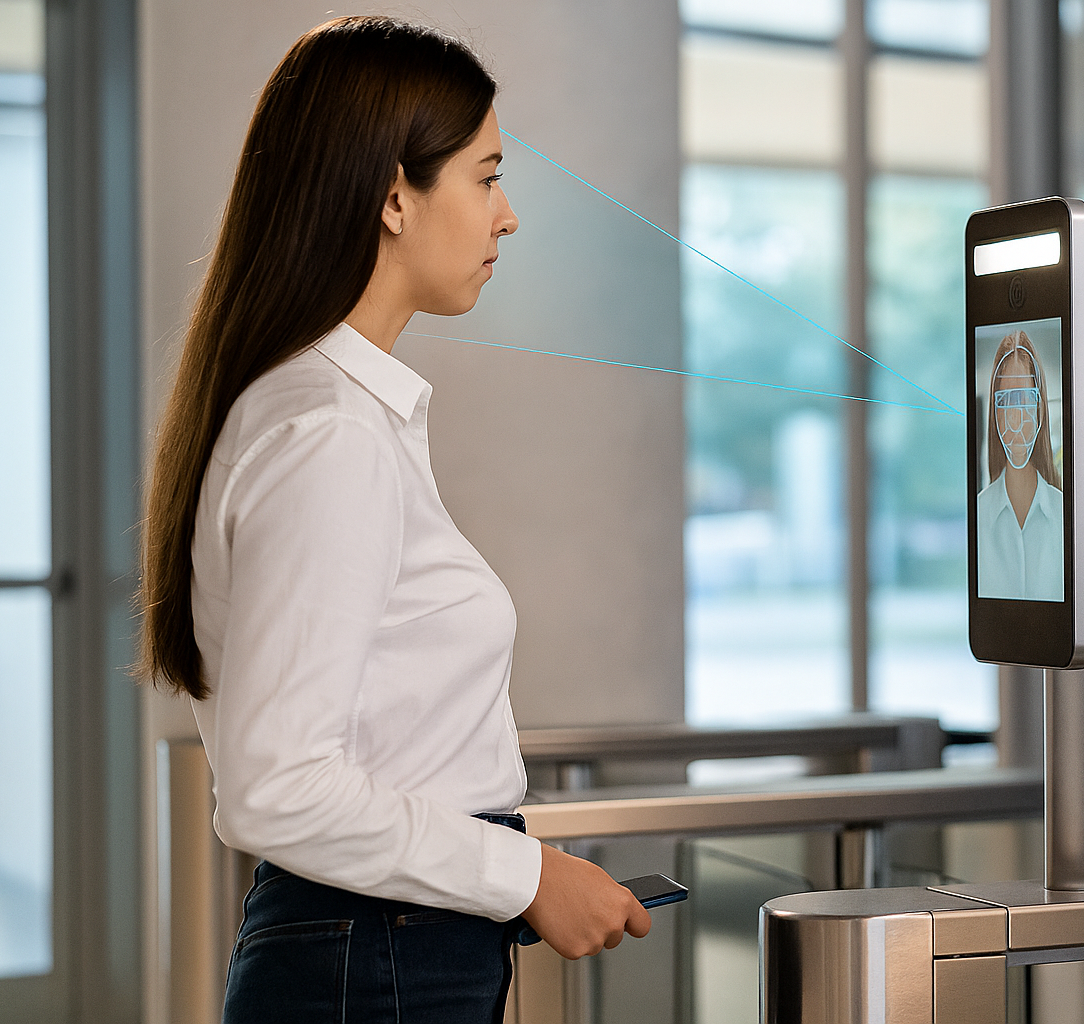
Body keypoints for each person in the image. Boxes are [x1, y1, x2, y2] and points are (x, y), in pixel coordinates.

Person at [135, 17, 648, 1022]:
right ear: (394, 196)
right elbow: (278, 787)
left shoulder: (329, 414)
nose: (507, 216)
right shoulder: (329, 434)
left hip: (380, 944)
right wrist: (528, 876)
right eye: (487, 177)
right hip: (377, 954)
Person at [977, 330, 1065, 601]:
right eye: (1005, 401)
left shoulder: (1065, 515)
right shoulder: (977, 516)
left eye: (1025, 398)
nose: (1015, 419)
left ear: (1040, 407)